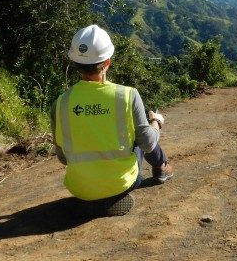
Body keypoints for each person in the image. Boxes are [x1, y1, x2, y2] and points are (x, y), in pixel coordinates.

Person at [50, 24, 173, 213]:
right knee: (142, 135)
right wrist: (156, 122)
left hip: (79, 188)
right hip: (123, 183)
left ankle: (94, 198)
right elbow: (148, 143)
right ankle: (161, 168)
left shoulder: (61, 103)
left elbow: (63, 158)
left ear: (74, 62)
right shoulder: (128, 95)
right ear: (107, 61)